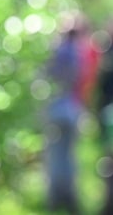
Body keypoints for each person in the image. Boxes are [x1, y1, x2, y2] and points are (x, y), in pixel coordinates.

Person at [43, 14, 99, 213]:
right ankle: (70, 198)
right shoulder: (79, 53)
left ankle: (55, 198)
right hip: (72, 108)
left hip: (56, 108)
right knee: (69, 154)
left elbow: (47, 77)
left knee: (55, 155)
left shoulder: (56, 50)